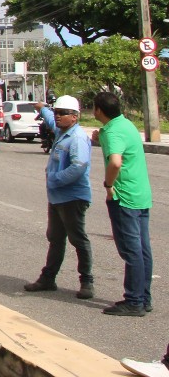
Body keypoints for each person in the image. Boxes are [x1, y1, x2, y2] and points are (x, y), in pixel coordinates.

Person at [22, 95, 94, 300]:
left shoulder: (77, 138)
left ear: (75, 116)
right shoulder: (62, 132)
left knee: (78, 239)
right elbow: (52, 122)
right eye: (57, 113)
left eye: (63, 113)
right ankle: (48, 278)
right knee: (55, 238)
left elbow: (79, 167)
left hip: (72, 198)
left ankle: (87, 281)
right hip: (57, 198)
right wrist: (43, 109)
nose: (58, 117)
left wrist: (55, 179)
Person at [91, 91, 153, 316]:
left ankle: (134, 301)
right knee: (143, 249)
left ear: (98, 110)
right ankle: (144, 298)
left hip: (124, 196)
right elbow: (112, 140)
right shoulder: (124, 125)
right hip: (141, 194)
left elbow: (115, 162)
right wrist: (100, 137)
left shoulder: (114, 132)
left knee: (131, 250)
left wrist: (108, 185)